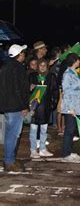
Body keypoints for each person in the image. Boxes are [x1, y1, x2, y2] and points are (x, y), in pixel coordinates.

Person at [0, 44, 30, 172]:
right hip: (15, 106)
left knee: (9, 134)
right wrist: (24, 105)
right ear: (19, 55)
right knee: (13, 134)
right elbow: (19, 89)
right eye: (23, 53)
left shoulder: (5, 67)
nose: (24, 55)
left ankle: (9, 159)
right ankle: (9, 161)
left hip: (7, 106)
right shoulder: (18, 68)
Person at [28, 58, 59, 158]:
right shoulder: (32, 76)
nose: (42, 67)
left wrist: (52, 105)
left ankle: (42, 149)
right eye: (40, 65)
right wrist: (29, 87)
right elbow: (25, 91)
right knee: (33, 130)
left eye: (44, 65)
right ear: (37, 66)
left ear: (47, 66)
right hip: (34, 108)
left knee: (44, 130)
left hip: (45, 107)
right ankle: (33, 150)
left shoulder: (51, 76)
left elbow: (55, 91)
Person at [60, 53, 80, 161]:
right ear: (74, 61)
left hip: (75, 105)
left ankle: (69, 151)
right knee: (69, 129)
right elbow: (66, 91)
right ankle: (66, 153)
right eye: (78, 60)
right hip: (70, 107)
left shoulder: (73, 72)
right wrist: (70, 108)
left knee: (72, 129)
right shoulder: (67, 74)